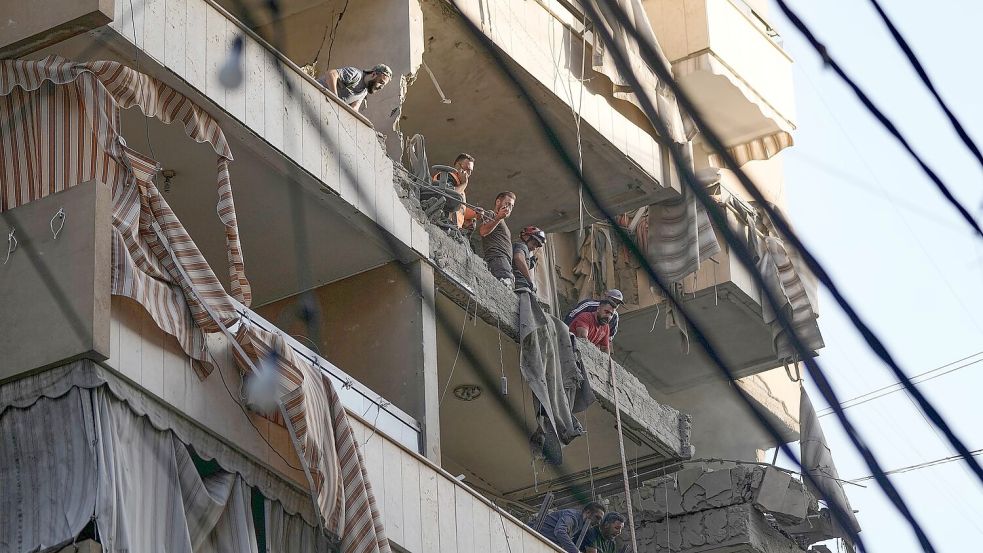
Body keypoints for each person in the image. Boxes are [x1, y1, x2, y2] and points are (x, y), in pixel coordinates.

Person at [318, 64, 392, 111]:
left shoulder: (364, 92)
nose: (381, 87)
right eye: (381, 82)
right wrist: (334, 98)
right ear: (373, 74)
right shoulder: (356, 75)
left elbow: (354, 110)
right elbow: (331, 74)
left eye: (383, 85)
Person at [432, 153, 479, 229]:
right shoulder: (447, 176)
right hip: (443, 223)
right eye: (466, 169)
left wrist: (475, 213)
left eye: (470, 171)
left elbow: (460, 210)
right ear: (457, 165)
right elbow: (450, 197)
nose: (468, 174)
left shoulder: (459, 186)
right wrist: (464, 184)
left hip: (453, 227)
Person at [480, 191, 516, 286]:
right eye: (507, 204)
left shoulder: (502, 222)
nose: (509, 208)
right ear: (498, 202)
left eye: (512, 206)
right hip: (498, 259)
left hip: (504, 262)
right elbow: (483, 231)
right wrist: (498, 217)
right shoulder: (491, 214)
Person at [540, 502, 606, 553]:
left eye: (600, 520)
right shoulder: (572, 516)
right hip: (536, 536)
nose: (598, 523)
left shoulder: (580, 525)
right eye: (597, 517)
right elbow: (560, 531)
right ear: (588, 512)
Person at [513, 226, 546, 292]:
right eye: (534, 244)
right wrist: (530, 280)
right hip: (519, 284)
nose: (534, 248)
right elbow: (518, 258)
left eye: (536, 246)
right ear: (526, 237)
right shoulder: (522, 246)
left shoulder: (522, 249)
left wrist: (529, 264)